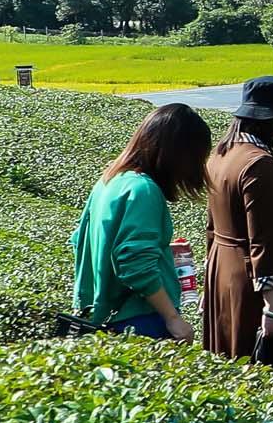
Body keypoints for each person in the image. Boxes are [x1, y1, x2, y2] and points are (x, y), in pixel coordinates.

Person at [200, 77, 273, 372]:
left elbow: (211, 227)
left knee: (231, 363)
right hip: (254, 282)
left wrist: (207, 284)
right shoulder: (258, 162)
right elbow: (263, 238)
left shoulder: (220, 155)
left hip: (223, 272)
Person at [70, 102, 212, 341]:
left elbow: (80, 241)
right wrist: (172, 318)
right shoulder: (143, 190)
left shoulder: (110, 181)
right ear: (178, 154)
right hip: (140, 318)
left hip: (104, 315)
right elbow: (135, 264)